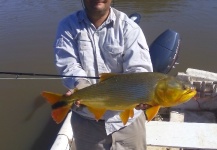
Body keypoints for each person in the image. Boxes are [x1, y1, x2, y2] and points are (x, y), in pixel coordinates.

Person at [53, 0, 153, 149]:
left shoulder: (129, 27)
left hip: (128, 122)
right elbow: (68, 64)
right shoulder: (68, 26)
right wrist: (80, 85)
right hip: (87, 121)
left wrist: (143, 93)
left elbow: (138, 69)